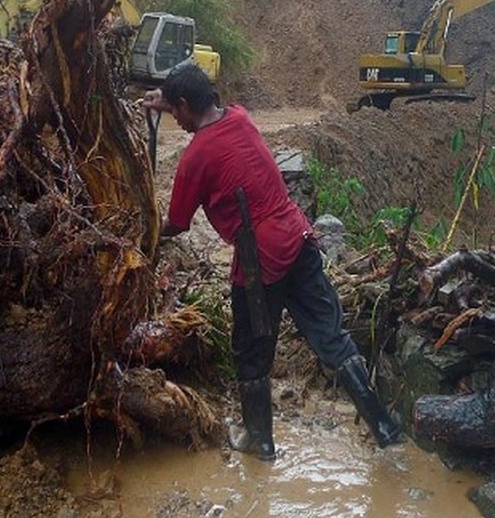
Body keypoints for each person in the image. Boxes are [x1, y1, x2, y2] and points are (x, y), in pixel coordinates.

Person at [142, 64, 401, 460]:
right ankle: (383, 425)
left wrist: (144, 233)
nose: (175, 119)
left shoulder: (195, 157)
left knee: (251, 353)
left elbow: (177, 223)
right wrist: (163, 100)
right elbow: (197, 106)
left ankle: (260, 443)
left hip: (259, 260)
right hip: (298, 239)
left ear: (183, 104)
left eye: (175, 111)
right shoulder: (240, 117)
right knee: (331, 337)